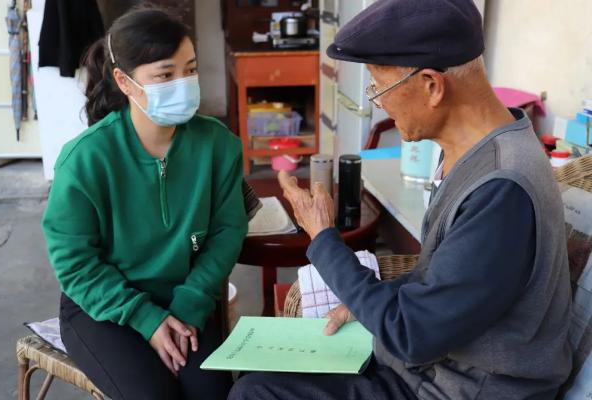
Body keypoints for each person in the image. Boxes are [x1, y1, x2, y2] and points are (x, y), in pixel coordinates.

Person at [229, 0, 572, 399]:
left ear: (432, 85)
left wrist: (323, 238)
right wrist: (369, 300)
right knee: (256, 370)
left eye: (380, 87)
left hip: (459, 389)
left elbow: (411, 335)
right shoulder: (484, 146)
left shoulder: (502, 189)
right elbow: (450, 280)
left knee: (254, 394)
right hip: (432, 367)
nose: (379, 102)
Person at [42, 7, 248, 400]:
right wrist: (146, 320)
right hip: (102, 307)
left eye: (190, 69)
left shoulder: (218, 145)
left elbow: (227, 231)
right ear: (124, 81)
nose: (184, 83)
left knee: (212, 393)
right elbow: (74, 262)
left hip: (185, 298)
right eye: (165, 75)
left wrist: (188, 306)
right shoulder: (86, 159)